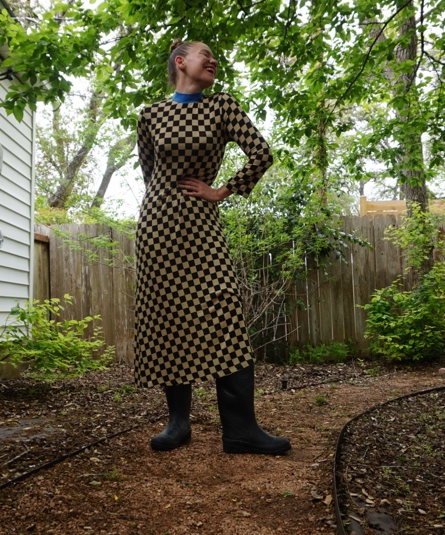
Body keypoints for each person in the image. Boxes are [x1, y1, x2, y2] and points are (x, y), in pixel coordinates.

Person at [133, 38, 291, 455]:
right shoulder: (150, 115)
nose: (213, 59)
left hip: (202, 228)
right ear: (181, 62)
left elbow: (261, 153)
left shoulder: (222, 106)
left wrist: (223, 190)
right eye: (205, 54)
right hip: (157, 229)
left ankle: (240, 430)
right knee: (168, 316)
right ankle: (177, 423)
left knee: (224, 316)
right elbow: (151, 173)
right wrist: (166, 199)